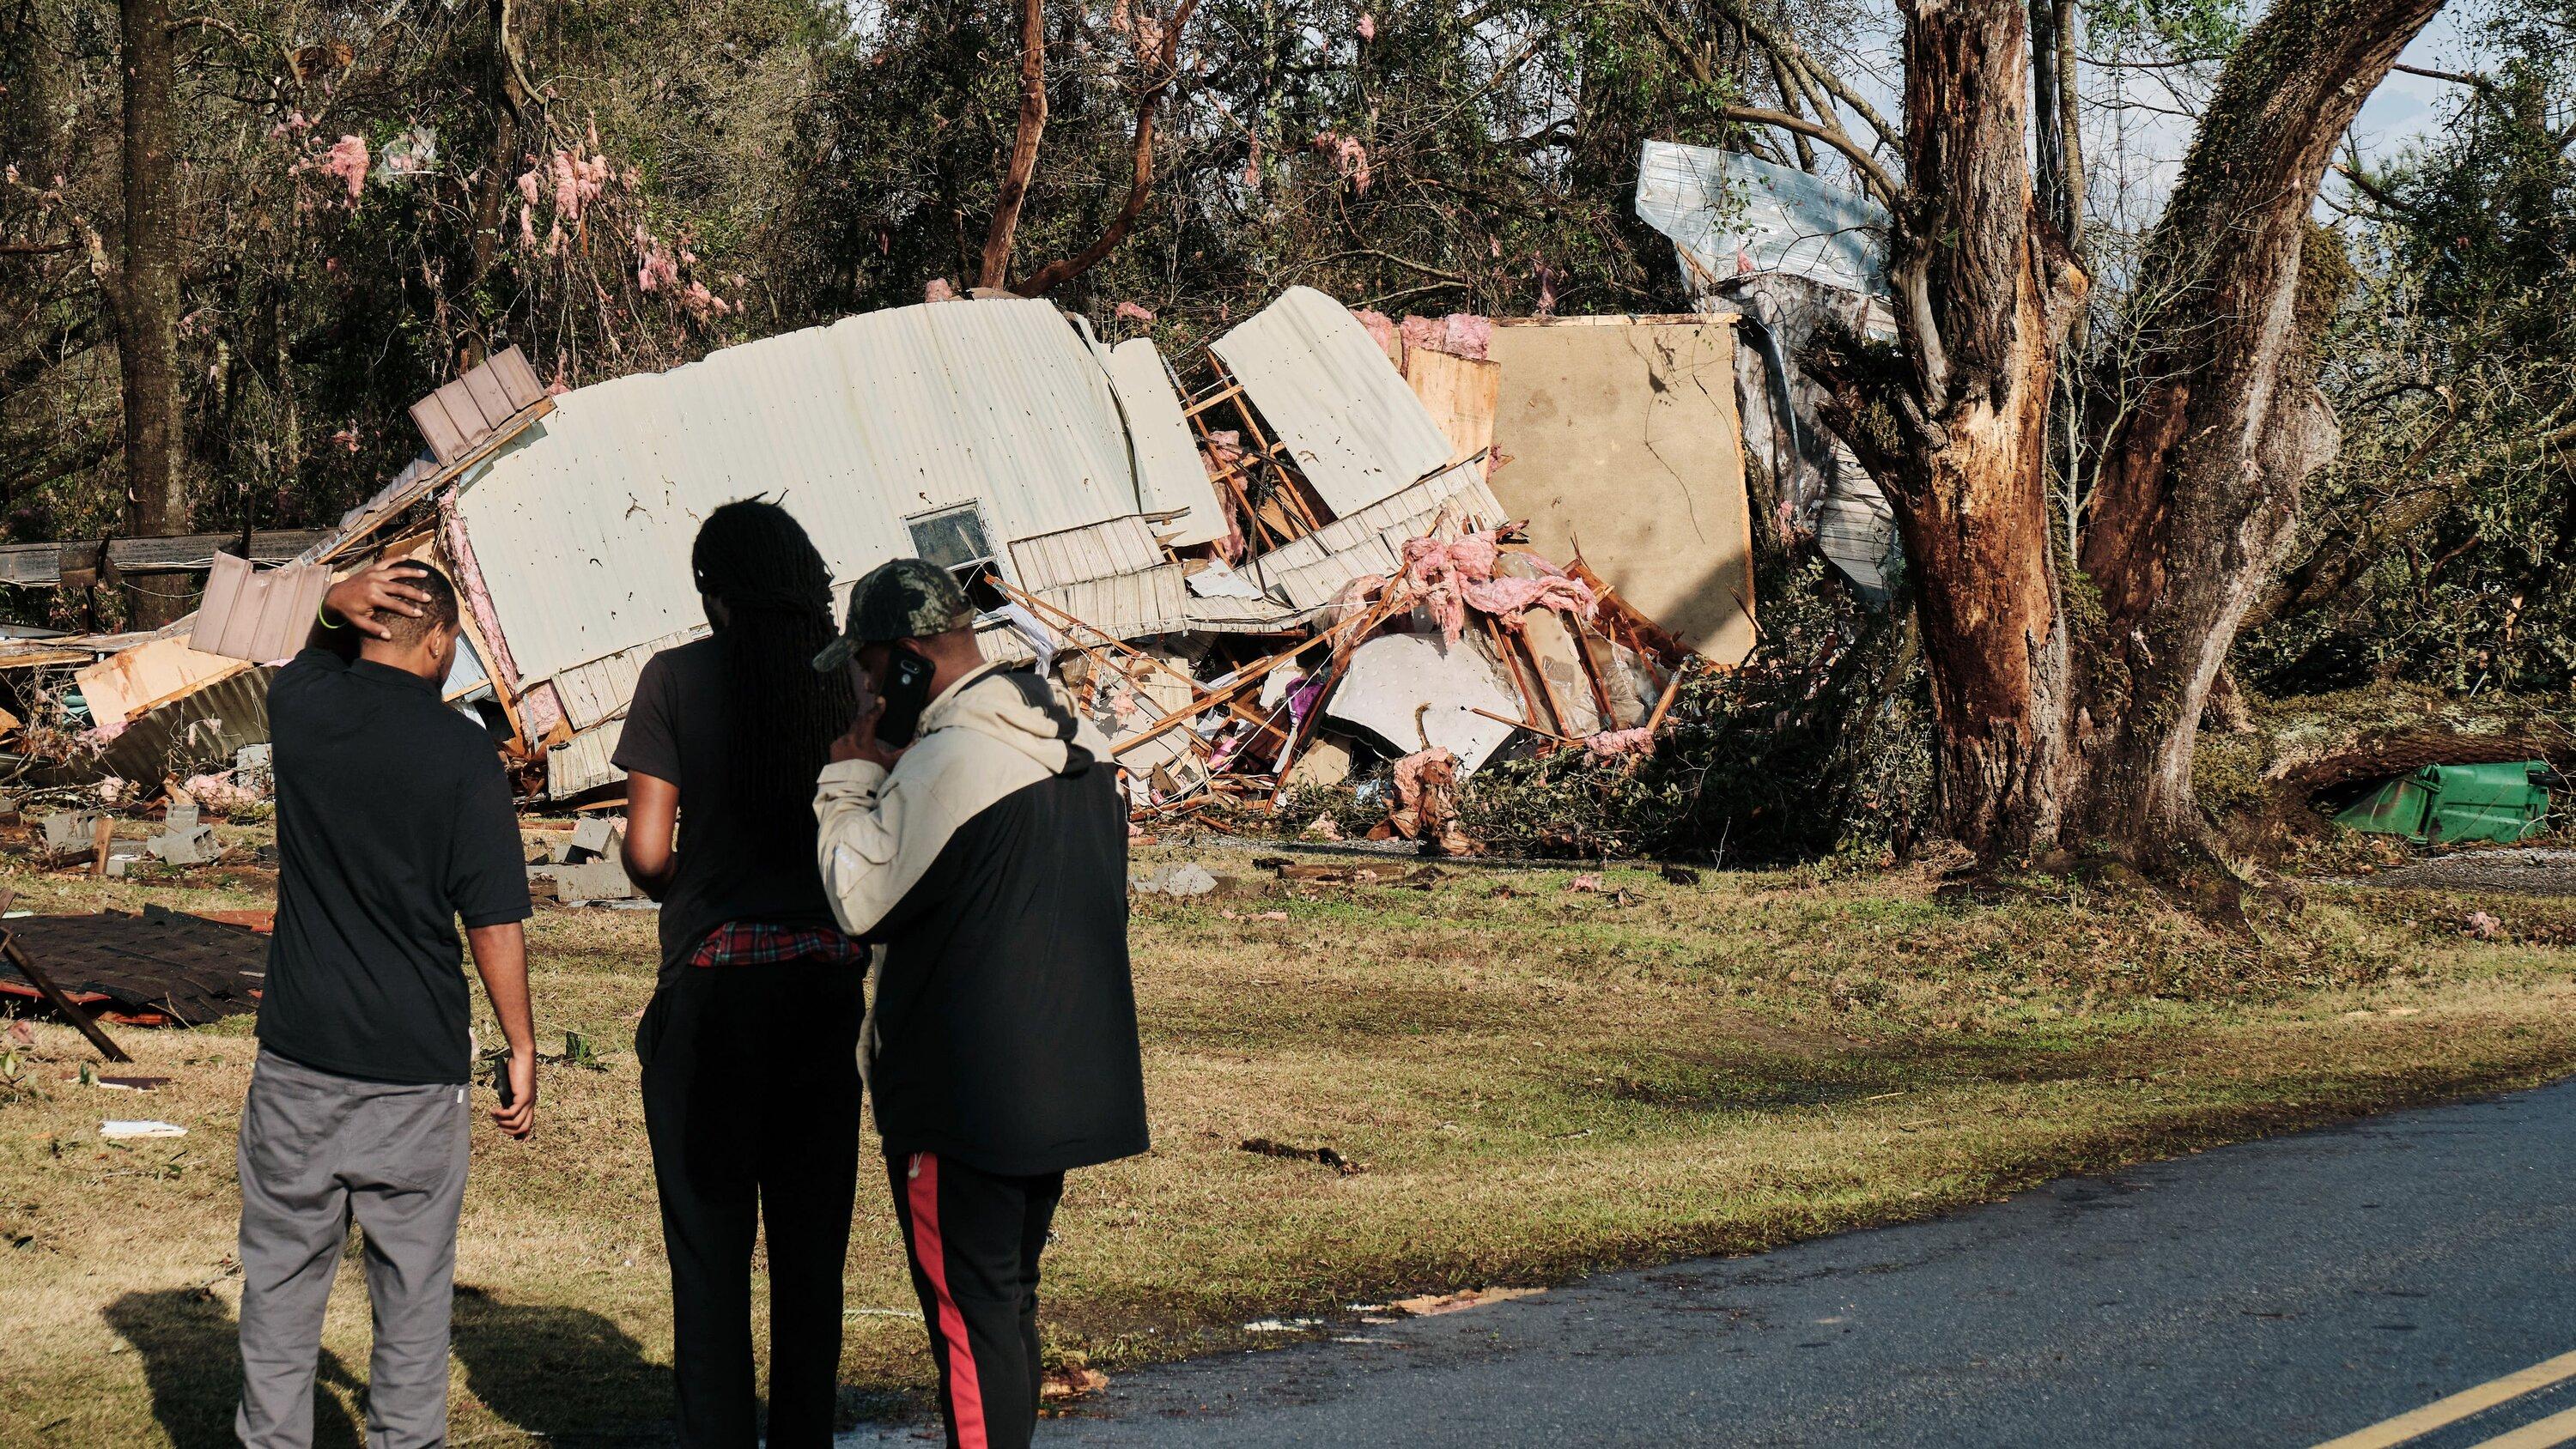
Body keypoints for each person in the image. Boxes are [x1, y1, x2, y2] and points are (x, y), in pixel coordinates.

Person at [810, 559, 1149, 1449]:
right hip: (1065, 1075)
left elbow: (858, 899)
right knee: (1004, 1307)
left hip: (963, 1098)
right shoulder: (1074, 732)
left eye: (871, 669)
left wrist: (847, 779)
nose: (869, 689)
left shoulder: (949, 759)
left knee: (969, 1324)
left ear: (912, 656)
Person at [237, 557, 537, 1449]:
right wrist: (519, 1042)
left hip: (297, 1054)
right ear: (440, 640)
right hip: (414, 1068)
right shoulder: (461, 752)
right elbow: (492, 922)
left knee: (281, 1295)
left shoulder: (304, 710)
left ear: (364, 622)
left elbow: (307, 658)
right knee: (412, 1306)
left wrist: (333, 607)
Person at [614, 499, 866, 1448]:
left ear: (713, 596)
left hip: (715, 993)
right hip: (824, 991)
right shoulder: (843, 686)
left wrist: (695, 883)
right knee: (812, 1265)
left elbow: (645, 852)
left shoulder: (674, 679)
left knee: (709, 1263)